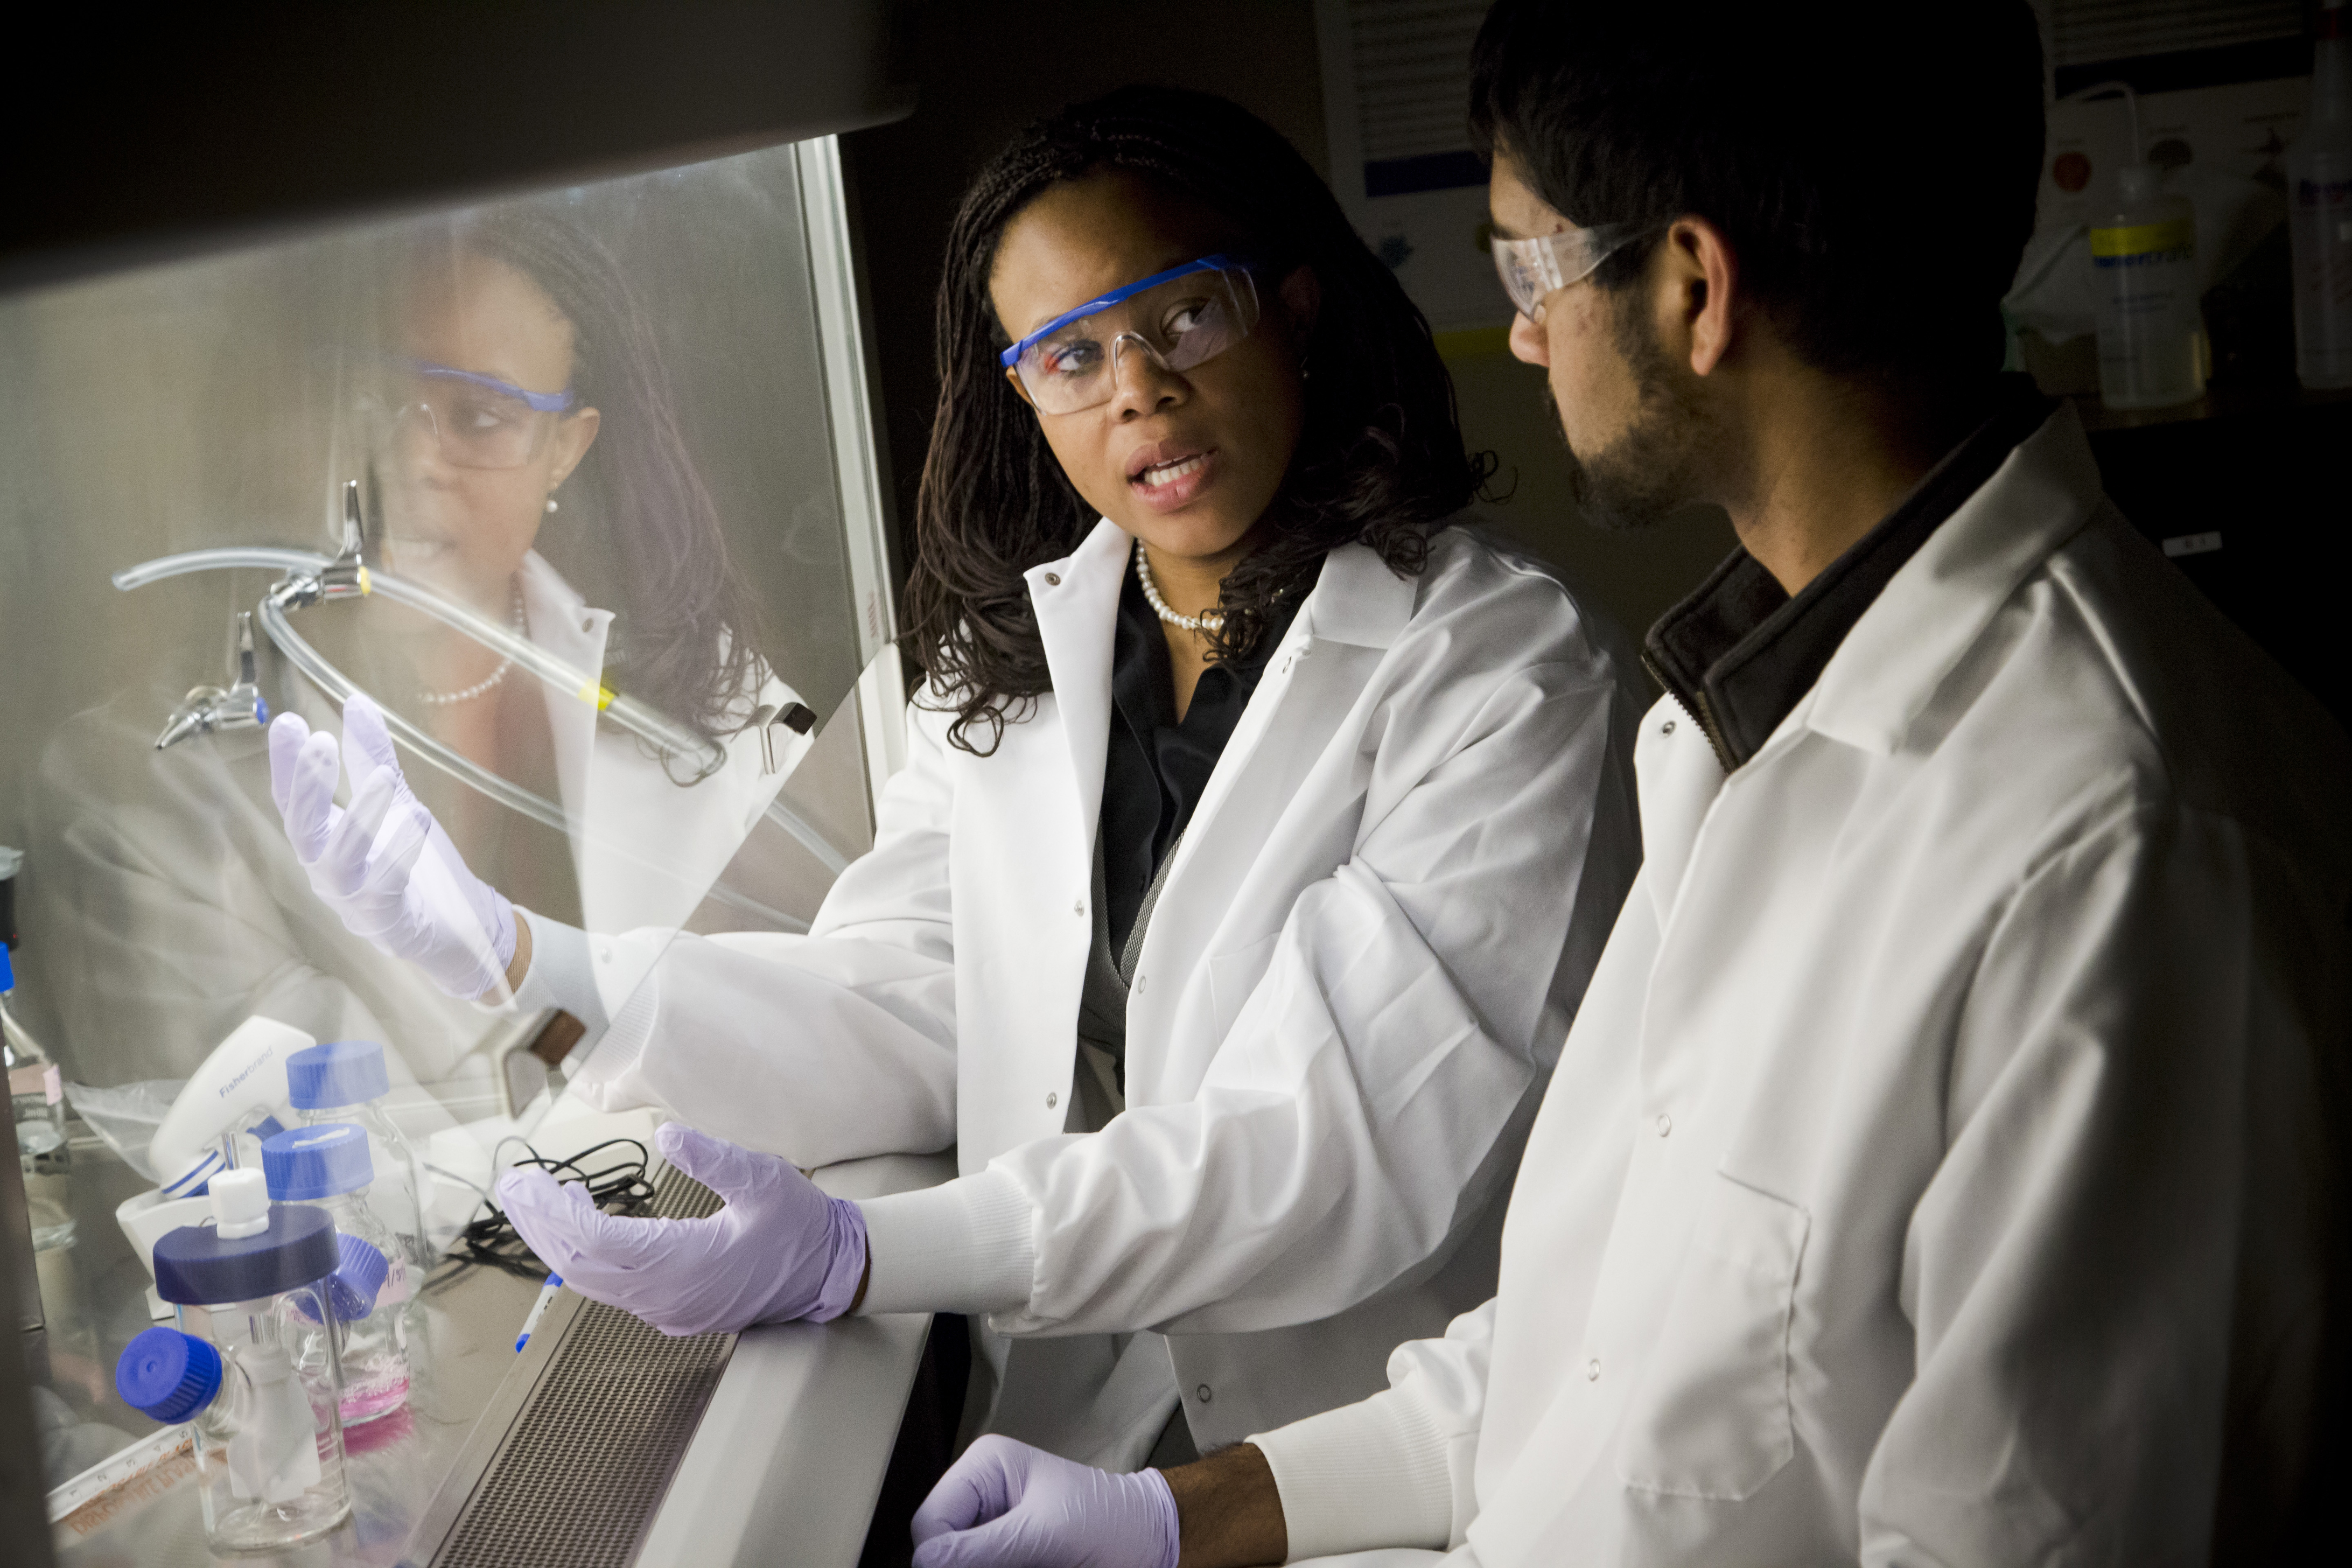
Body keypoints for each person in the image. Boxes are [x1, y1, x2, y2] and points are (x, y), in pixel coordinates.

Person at [899, 5, 2352, 1565]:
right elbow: (1601, 1354)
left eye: (1531, 269)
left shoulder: (2116, 845)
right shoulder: (1749, 719)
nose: (1522, 332)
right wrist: (1190, 1514)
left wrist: (880, 1253)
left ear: (1693, 290)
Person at [285, 86, 1647, 1469]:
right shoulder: (1016, 662)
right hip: (1072, 1423)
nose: (1138, 391)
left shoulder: (1497, 671)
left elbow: (1332, 1147)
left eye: (1183, 318)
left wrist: (860, 1252)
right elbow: (910, 991)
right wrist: (536, 959)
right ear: (1022, 396)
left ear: (1292, 307)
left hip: (1371, 1442)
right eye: (1068, 356)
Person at [29, 205, 811, 1109]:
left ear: (565, 449)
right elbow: (321, 1181)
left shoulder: (712, 691)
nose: (408, 457)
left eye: (479, 416)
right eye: (372, 403)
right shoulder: (138, 794)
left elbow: (843, 1009)